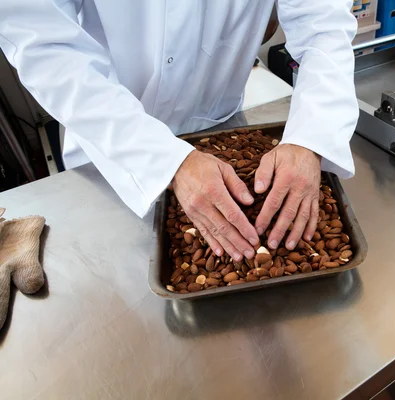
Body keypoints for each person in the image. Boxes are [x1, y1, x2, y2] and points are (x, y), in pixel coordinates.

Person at [0, 1, 359, 262]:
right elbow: (47, 46)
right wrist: (163, 160)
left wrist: (310, 137)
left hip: (219, 123)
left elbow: (323, 26)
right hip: (109, 141)